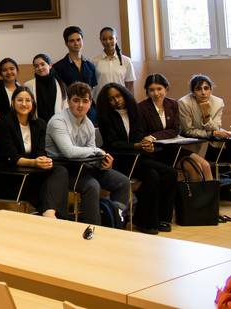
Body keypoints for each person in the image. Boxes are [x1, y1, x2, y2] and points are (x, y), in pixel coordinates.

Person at [45, 82, 130, 226]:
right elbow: (70, 152)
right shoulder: (57, 121)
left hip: (83, 168)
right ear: (68, 102)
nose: (80, 105)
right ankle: (92, 229)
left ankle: (115, 223)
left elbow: (91, 156)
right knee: (92, 185)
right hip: (62, 171)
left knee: (122, 182)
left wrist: (102, 163)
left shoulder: (88, 124)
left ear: (90, 103)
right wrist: (97, 151)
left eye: (85, 101)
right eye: (76, 100)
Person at [96, 83, 176, 234]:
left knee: (170, 173)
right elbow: (113, 143)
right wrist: (136, 146)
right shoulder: (105, 116)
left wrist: (146, 145)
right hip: (119, 159)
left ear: (124, 95)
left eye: (118, 96)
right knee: (152, 176)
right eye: (111, 99)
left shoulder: (135, 111)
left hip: (138, 157)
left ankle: (162, 219)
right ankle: (147, 222)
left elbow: (139, 135)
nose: (116, 101)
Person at [0, 87, 69, 219]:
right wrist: (34, 163)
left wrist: (43, 160)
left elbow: (41, 151)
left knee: (60, 171)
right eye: (20, 100)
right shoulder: (4, 123)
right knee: (49, 191)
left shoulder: (40, 124)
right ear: (13, 102)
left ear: (33, 104)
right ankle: (52, 216)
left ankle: (48, 213)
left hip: (30, 174)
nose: (24, 104)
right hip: (8, 176)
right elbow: (12, 156)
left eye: (28, 100)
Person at [139, 74, 213, 181]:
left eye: (159, 89)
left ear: (166, 88)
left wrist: (153, 136)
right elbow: (142, 134)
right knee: (193, 168)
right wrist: (151, 138)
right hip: (155, 152)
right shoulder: (142, 107)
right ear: (147, 91)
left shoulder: (172, 104)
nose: (156, 93)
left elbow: (175, 130)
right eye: (151, 90)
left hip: (172, 149)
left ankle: (209, 197)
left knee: (205, 165)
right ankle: (191, 197)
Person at [178, 74, 230, 180]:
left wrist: (206, 115)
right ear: (193, 92)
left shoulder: (218, 102)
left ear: (211, 89)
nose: (203, 92)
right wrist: (212, 133)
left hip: (211, 144)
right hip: (191, 144)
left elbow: (215, 127)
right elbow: (188, 131)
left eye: (206, 88)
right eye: (198, 89)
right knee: (201, 167)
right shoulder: (184, 103)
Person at [53, 26, 98, 119]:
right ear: (66, 43)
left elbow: (92, 89)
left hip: (89, 111)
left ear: (82, 41)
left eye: (78, 40)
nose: (76, 43)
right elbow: (59, 93)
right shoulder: (58, 67)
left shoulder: (90, 65)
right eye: (72, 41)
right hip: (69, 112)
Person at [93, 26, 135, 96]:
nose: (108, 42)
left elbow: (130, 85)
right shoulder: (94, 61)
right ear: (100, 40)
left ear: (116, 39)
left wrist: (130, 103)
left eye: (111, 38)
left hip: (121, 101)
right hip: (102, 101)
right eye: (104, 39)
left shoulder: (126, 61)